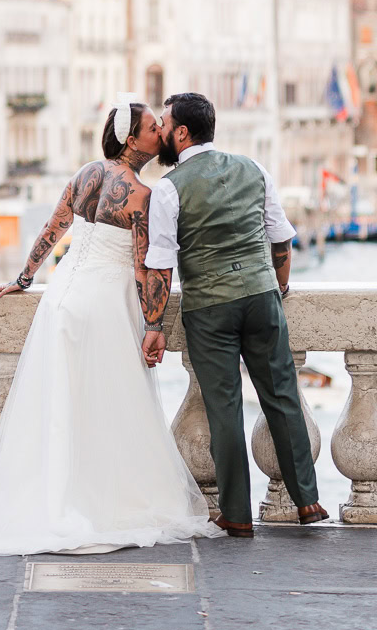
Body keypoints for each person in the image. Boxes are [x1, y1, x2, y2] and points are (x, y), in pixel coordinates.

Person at [0, 95, 219, 556]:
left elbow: (54, 227)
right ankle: (99, 499)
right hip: (105, 302)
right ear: (133, 139)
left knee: (61, 402)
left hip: (61, 298)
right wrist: (154, 325)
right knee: (109, 403)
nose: (160, 133)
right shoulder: (142, 195)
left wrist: (24, 278)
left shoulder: (85, 174)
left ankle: (54, 497)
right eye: (153, 128)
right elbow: (146, 269)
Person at [140, 92, 327, 537]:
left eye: (165, 125)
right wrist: (277, 286)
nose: (162, 132)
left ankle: (238, 514)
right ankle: (308, 500)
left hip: (209, 308)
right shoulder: (253, 168)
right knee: (283, 396)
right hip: (262, 296)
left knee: (224, 409)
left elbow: (161, 265)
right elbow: (280, 239)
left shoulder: (168, 188)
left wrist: (154, 325)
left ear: (181, 133)